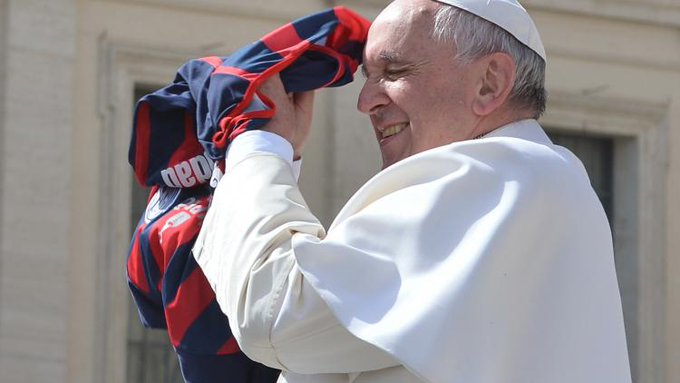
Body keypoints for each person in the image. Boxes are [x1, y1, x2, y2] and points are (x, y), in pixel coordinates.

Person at [193, 0, 632, 382]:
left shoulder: (507, 176)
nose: (365, 102)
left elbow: (275, 313)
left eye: (395, 71)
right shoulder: (536, 181)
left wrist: (257, 145)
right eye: (368, 76)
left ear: (490, 83)